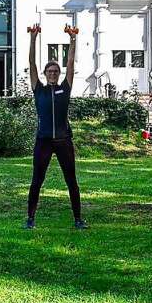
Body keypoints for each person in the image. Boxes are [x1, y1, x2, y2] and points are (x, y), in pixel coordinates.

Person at [24, 24, 88, 230]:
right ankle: (30, 219)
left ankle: (78, 220)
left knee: (71, 181)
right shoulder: (39, 89)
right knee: (37, 181)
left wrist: (73, 39)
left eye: (55, 71)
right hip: (43, 141)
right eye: (49, 71)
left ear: (59, 74)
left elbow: (70, 63)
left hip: (63, 141)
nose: (52, 73)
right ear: (44, 73)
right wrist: (33, 38)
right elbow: (31, 63)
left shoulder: (65, 88)